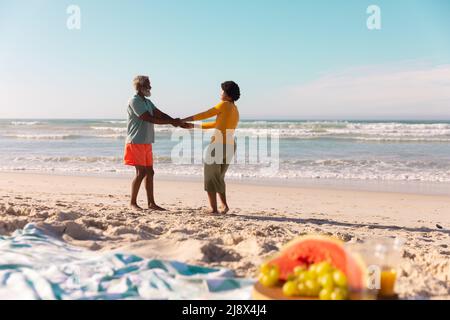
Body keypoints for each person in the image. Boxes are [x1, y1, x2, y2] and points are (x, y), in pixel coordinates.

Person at [124, 75, 188, 211]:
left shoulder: (147, 102)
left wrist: (176, 122)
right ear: (140, 87)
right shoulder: (134, 101)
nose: (150, 87)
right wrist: (173, 122)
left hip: (146, 141)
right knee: (140, 172)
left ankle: (151, 203)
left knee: (150, 172)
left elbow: (159, 114)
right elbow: (148, 118)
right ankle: (132, 203)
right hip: (136, 141)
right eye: (148, 84)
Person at [183, 81, 240, 214]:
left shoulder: (224, 104)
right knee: (219, 177)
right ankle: (224, 206)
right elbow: (216, 124)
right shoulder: (235, 109)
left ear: (228, 95)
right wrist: (193, 126)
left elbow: (206, 114)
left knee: (210, 177)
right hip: (231, 145)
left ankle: (213, 209)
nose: (221, 93)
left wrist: (184, 120)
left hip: (218, 145)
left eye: (223, 91)